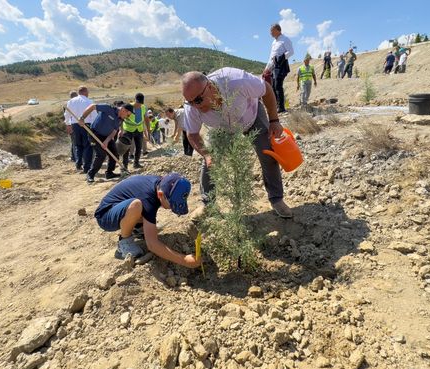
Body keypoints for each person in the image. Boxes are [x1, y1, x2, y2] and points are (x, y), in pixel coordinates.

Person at [181, 68, 294, 218]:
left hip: (251, 116)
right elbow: (193, 134)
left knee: (267, 153)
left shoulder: (236, 81)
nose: (195, 106)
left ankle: (277, 199)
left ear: (209, 86)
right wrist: (207, 155)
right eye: (190, 102)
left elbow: (266, 89)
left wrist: (274, 120)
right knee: (210, 161)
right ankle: (208, 204)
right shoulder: (192, 107)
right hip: (222, 128)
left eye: (198, 100)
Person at [94, 173, 200, 267]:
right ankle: (124, 243)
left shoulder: (161, 184)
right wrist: (184, 260)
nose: (172, 208)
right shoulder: (148, 198)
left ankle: (138, 229)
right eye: (171, 204)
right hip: (105, 216)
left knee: (142, 209)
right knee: (136, 205)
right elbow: (152, 245)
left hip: (121, 207)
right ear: (160, 195)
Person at [78, 102, 133, 183]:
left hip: (107, 137)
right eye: (128, 115)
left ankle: (109, 173)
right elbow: (93, 106)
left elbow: (114, 131)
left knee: (114, 154)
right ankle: (91, 174)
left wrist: (106, 141)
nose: (128, 117)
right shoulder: (108, 108)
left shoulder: (120, 119)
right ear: (123, 110)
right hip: (94, 134)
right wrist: (82, 118)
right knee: (101, 155)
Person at [264, 23, 294, 113]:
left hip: (281, 65)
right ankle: (276, 106)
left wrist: (280, 58)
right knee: (273, 86)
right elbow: (271, 56)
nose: (270, 33)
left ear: (277, 30)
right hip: (273, 66)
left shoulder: (285, 39)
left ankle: (281, 107)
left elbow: (291, 52)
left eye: (272, 31)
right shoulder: (273, 42)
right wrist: (267, 68)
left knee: (278, 85)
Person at [67, 86, 95, 174]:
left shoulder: (71, 101)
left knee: (78, 145)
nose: (88, 94)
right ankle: (86, 167)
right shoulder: (89, 101)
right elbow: (94, 116)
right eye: (87, 92)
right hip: (86, 125)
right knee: (87, 145)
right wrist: (94, 127)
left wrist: (68, 124)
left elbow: (66, 114)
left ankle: (78, 164)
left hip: (75, 125)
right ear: (85, 92)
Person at [121, 93, 150, 169]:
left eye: (140, 104)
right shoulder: (128, 107)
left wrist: (148, 132)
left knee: (139, 147)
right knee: (126, 148)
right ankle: (125, 166)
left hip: (139, 130)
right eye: (138, 104)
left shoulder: (143, 107)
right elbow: (121, 117)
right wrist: (120, 130)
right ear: (135, 101)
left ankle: (136, 163)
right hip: (128, 130)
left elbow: (146, 120)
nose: (139, 105)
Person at [64, 91, 78, 162]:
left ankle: (74, 158)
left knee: (74, 142)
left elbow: (66, 116)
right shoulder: (77, 103)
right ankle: (76, 158)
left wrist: (68, 125)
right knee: (76, 143)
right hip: (76, 125)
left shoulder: (69, 104)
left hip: (71, 125)